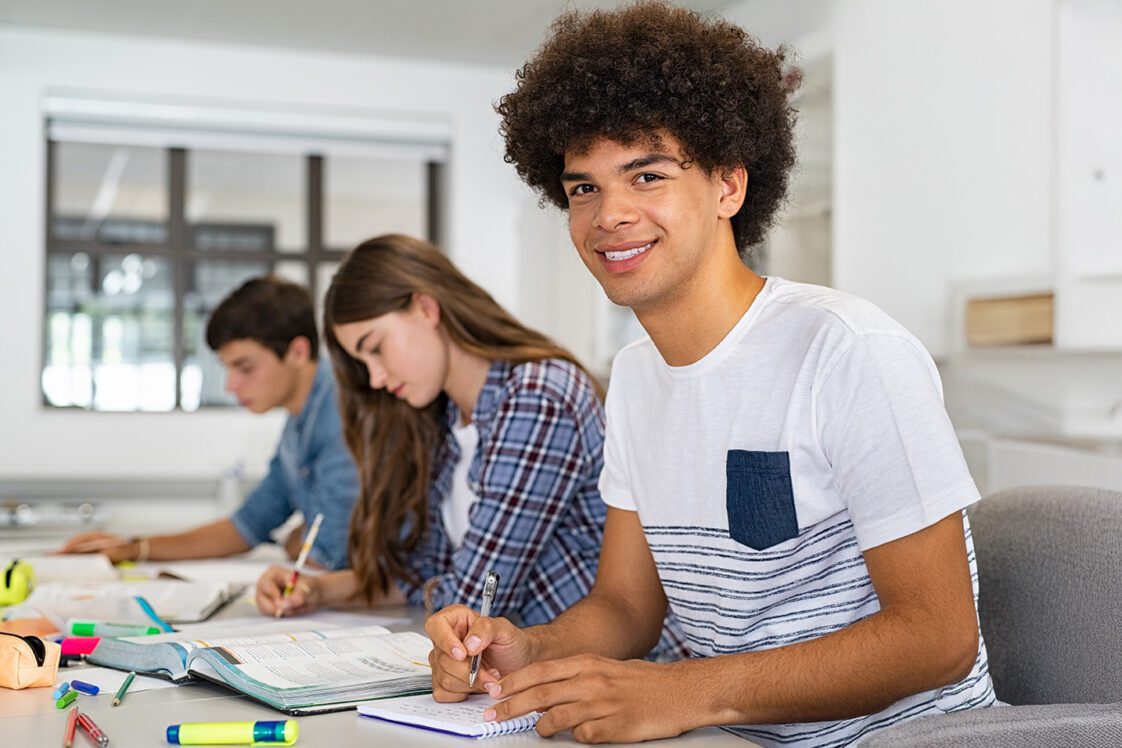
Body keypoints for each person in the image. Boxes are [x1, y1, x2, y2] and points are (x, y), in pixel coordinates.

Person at [424, 3, 997, 746]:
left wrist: (685, 691)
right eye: (583, 189)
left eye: (647, 175)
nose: (608, 215)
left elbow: (938, 635)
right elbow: (628, 608)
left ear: (729, 187)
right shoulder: (633, 377)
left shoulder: (847, 350)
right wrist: (528, 648)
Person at [255, 234, 677, 649]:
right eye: (363, 364)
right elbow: (425, 571)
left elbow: (479, 597)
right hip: (522, 678)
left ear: (425, 308)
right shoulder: (444, 418)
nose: (377, 378)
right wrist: (317, 590)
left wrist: (429, 584)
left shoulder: (538, 395)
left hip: (619, 675)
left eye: (376, 349)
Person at [60, 277, 359, 570]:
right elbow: (249, 524)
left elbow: (331, 553)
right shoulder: (299, 422)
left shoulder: (341, 410)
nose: (231, 386)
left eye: (245, 367)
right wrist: (136, 548)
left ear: (298, 352)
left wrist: (299, 541)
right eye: (227, 368)